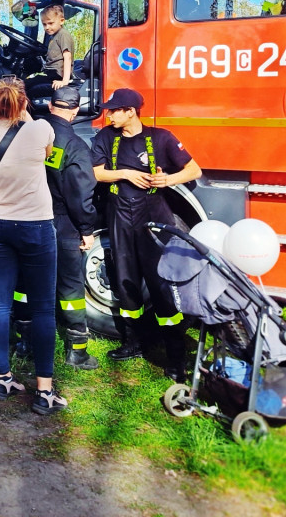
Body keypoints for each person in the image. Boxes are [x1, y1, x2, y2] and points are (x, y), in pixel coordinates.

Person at [91, 88, 202, 381]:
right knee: (126, 281)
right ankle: (133, 343)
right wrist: (126, 174)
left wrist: (169, 179)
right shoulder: (106, 137)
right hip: (119, 216)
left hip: (153, 218)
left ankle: (175, 356)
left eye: (115, 110)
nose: (109, 114)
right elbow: (97, 173)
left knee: (161, 284)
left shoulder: (161, 137)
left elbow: (194, 170)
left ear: (131, 111)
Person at [0, 77, 67, 415]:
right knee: (42, 308)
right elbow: (46, 152)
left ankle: (3, 379)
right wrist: (23, 113)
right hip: (36, 226)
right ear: (23, 102)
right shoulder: (40, 129)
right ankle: (44, 391)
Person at [15, 86, 99, 369]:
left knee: (25, 284)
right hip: (61, 224)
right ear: (75, 111)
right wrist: (86, 228)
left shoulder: (25, 135)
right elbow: (81, 193)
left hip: (27, 219)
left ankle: (24, 342)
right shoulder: (74, 146)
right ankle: (77, 351)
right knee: (70, 286)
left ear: (51, 106)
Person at [25, 4, 75, 96]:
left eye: (50, 23)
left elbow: (67, 57)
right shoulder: (54, 36)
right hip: (50, 72)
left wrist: (64, 81)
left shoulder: (63, 35)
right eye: (44, 24)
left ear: (62, 21)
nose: (47, 27)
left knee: (26, 85)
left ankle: (23, 109)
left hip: (57, 74)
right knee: (27, 82)